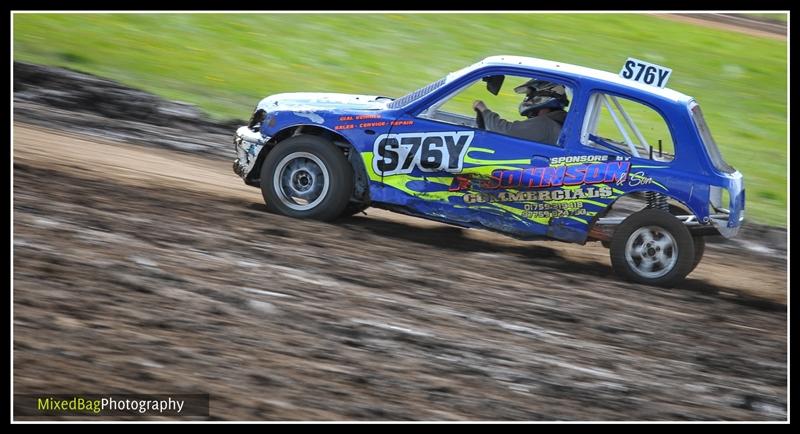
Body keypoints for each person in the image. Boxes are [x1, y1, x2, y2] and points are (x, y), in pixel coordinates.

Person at [473, 79, 569, 145]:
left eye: (529, 95)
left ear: (544, 96)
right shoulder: (560, 121)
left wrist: (483, 109)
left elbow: (505, 130)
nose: (526, 99)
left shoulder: (545, 124)